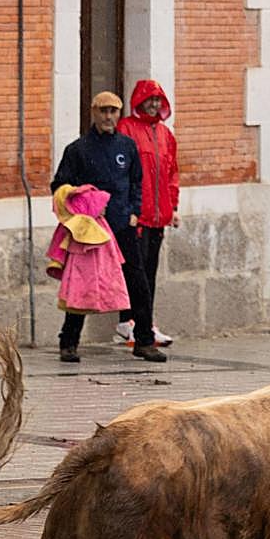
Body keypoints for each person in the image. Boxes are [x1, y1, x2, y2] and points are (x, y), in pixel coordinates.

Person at [51, 90, 165, 363]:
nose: (108, 116)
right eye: (103, 111)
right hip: (91, 231)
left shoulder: (127, 147)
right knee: (82, 284)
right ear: (93, 112)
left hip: (123, 226)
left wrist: (135, 212)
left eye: (113, 111)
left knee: (138, 284)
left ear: (119, 114)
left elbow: (137, 181)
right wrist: (85, 201)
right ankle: (68, 343)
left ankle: (145, 341)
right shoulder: (77, 150)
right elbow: (60, 187)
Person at [115, 79, 179, 348]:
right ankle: (128, 322)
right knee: (135, 272)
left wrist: (172, 207)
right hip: (136, 216)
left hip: (158, 216)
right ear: (139, 102)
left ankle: (145, 324)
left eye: (158, 100)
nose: (154, 105)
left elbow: (172, 173)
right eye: (149, 100)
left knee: (149, 271)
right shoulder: (126, 129)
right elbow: (123, 173)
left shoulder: (165, 135)